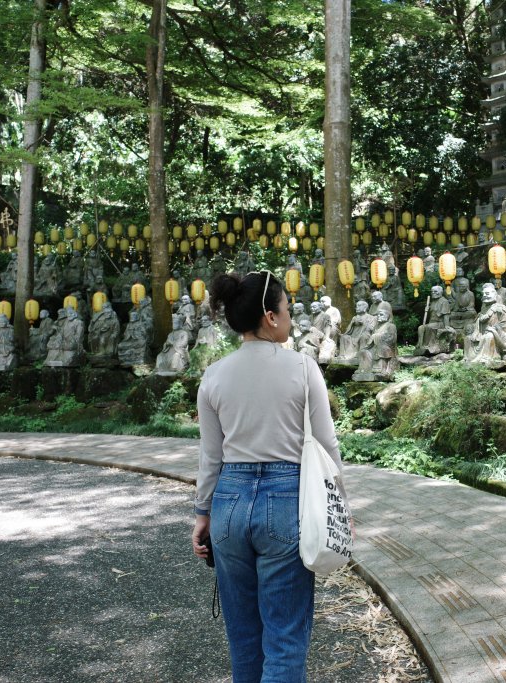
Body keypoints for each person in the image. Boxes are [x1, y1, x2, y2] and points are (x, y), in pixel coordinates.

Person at [192, 270, 341, 682]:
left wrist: (202, 514)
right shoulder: (303, 367)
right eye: (287, 309)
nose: (290, 317)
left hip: (229, 505)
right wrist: (338, 506)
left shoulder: (214, 376)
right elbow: (327, 448)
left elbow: (210, 456)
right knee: (285, 639)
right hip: (285, 502)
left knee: (243, 638)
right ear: (270, 317)